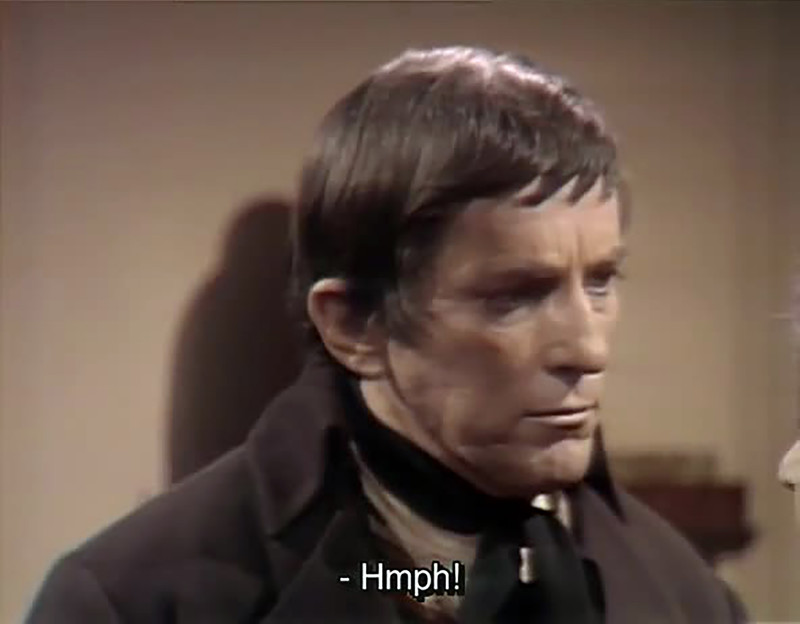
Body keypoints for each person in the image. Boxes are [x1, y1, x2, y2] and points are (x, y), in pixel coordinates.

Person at [26, 46, 746, 624]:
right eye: (515, 297)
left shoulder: (686, 597)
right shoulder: (133, 601)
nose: (588, 350)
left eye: (601, 282)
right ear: (353, 325)